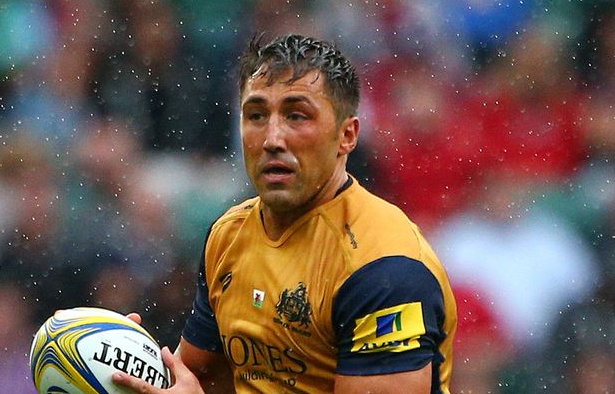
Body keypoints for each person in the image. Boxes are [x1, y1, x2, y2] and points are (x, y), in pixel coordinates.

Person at [113, 34, 457, 393]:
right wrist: (126, 362)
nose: (272, 138)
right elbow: (197, 379)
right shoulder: (228, 235)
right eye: (257, 115)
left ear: (347, 136)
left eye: (296, 115)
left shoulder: (385, 267)